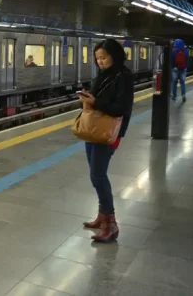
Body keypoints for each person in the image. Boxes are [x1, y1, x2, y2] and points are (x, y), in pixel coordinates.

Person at [78, 39, 134, 242]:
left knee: (98, 176)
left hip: (109, 133)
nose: (100, 62)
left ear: (115, 55)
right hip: (93, 131)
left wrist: (95, 102)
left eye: (103, 57)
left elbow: (121, 108)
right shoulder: (102, 75)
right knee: (95, 175)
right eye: (97, 58)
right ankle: (102, 216)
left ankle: (111, 224)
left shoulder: (124, 77)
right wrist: (87, 98)